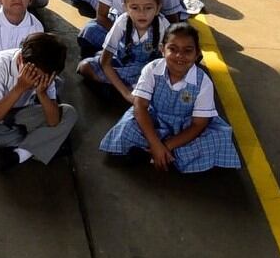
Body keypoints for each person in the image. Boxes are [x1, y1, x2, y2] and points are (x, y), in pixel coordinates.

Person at [97, 23, 243, 173]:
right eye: (173, 49)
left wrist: (166, 145)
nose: (180, 56)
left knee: (217, 139)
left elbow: (199, 124)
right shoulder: (152, 69)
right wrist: (155, 143)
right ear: (162, 49)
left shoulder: (203, 82)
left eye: (188, 51)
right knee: (127, 127)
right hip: (154, 121)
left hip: (186, 128)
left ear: (197, 53)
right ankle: (167, 156)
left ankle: (160, 153)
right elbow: (140, 106)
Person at [0, 31, 76, 167]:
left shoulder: (46, 71)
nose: (37, 81)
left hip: (22, 111)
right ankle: (44, 143)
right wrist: (19, 87)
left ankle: (21, 154)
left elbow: (53, 121)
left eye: (41, 78)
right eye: (34, 75)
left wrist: (42, 93)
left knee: (69, 113)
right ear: (21, 60)